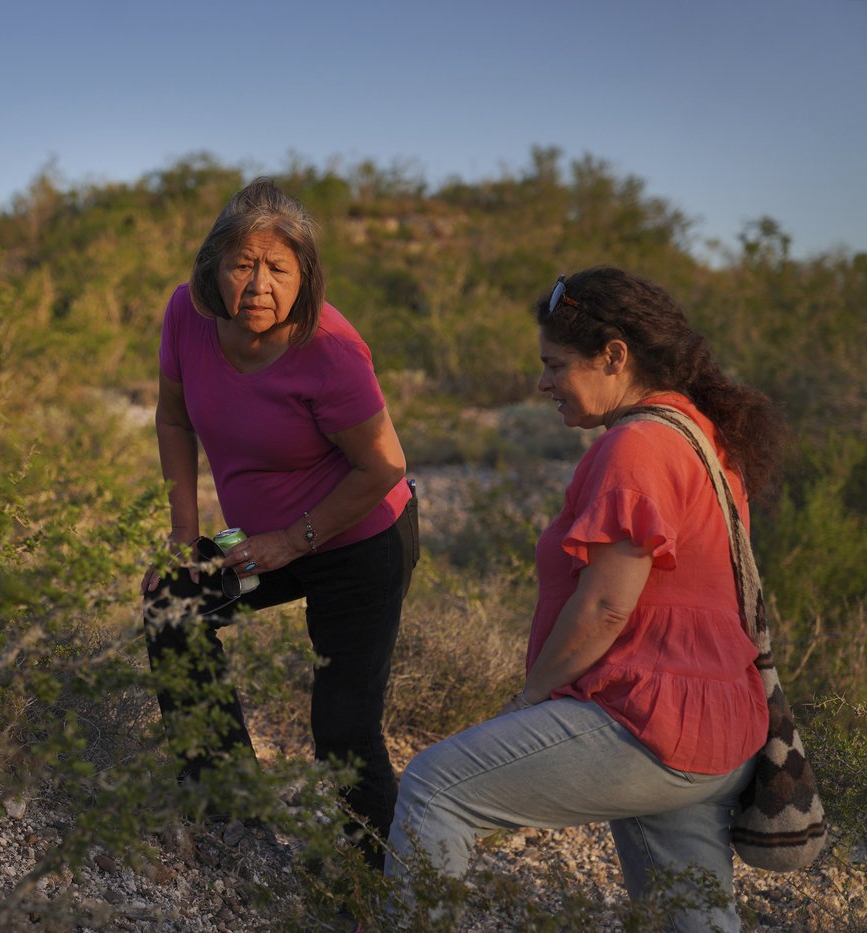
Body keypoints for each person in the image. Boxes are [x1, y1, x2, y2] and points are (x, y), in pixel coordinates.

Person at [385, 267, 782, 931]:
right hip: (719, 729)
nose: (542, 384)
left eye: (554, 365)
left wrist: (531, 696)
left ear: (614, 356)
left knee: (435, 788)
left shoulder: (638, 445)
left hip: (647, 721)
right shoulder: (698, 435)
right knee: (692, 919)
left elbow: (604, 608)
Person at [141, 177, 419, 870]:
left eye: (279, 269)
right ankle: (228, 814)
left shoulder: (331, 349)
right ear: (213, 267)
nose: (259, 285)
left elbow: (384, 466)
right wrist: (183, 537)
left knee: (344, 729)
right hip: (259, 542)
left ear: (306, 277)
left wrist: (290, 542)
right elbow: (173, 418)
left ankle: (373, 887)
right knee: (174, 603)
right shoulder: (185, 314)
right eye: (243, 264)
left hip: (359, 540)